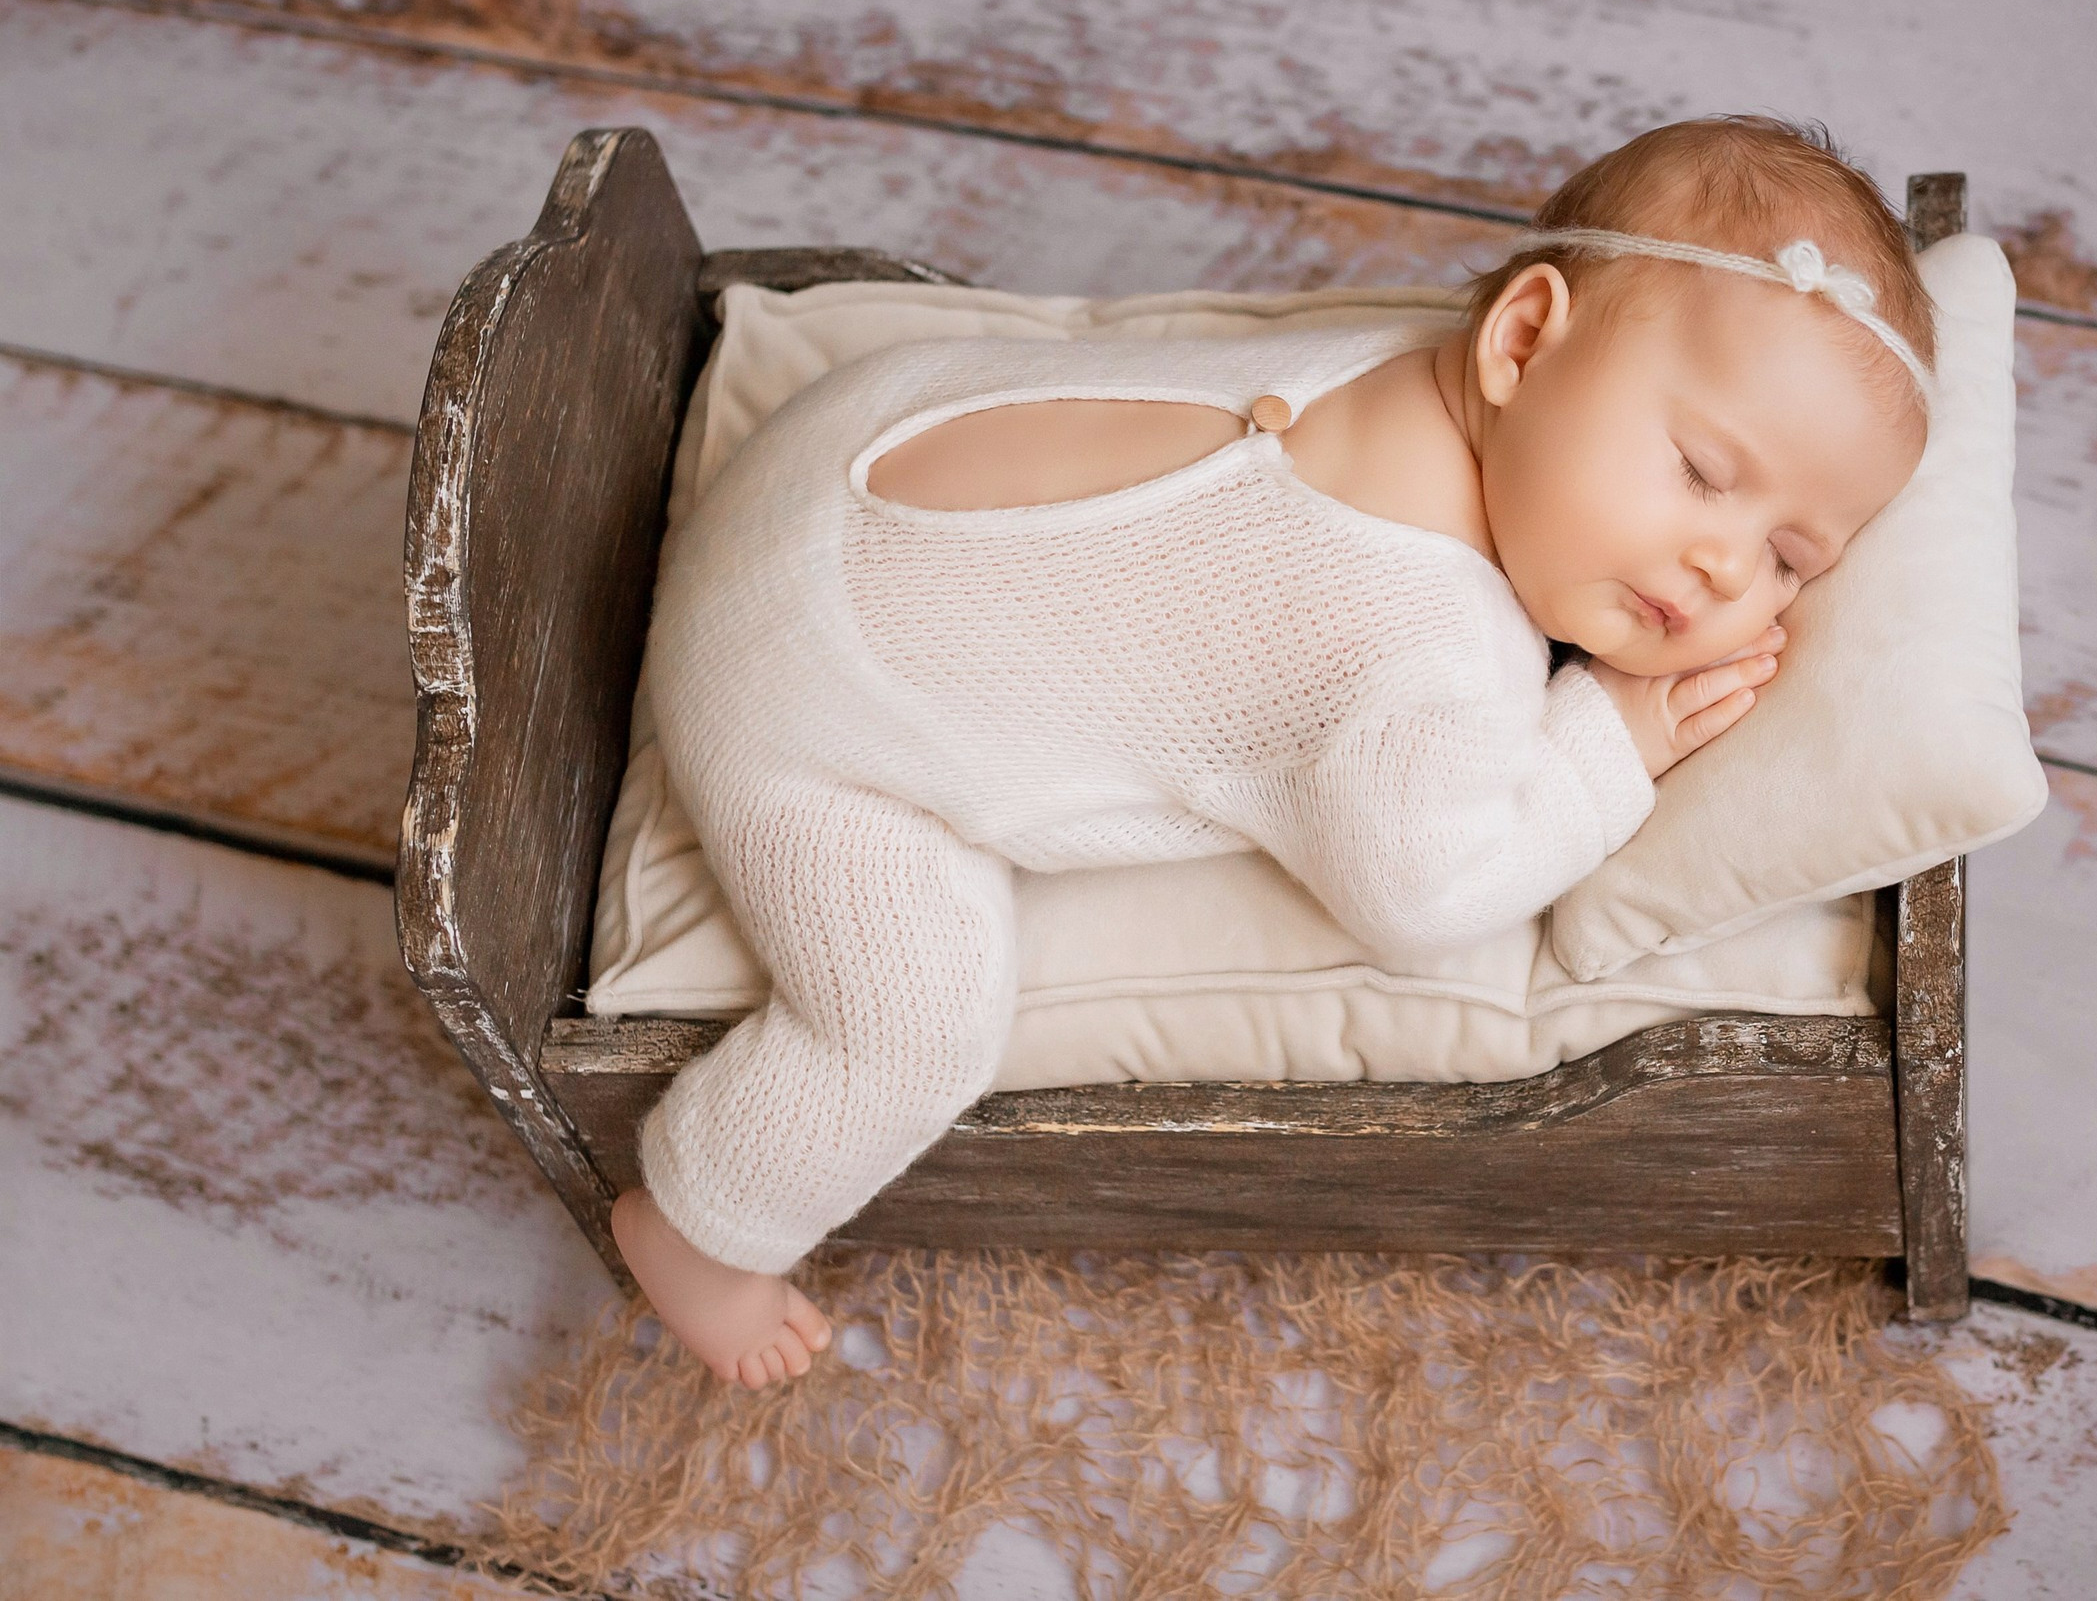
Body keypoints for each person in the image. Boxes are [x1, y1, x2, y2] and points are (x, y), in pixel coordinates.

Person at [611, 115, 1939, 1385]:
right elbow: (1425, 894)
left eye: (1788, 557)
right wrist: (1612, 739)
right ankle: (695, 1231)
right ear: (1524, 339)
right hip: (809, 712)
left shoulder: (1420, 362)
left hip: (838, 443)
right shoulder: (1415, 646)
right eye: (1705, 474)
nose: (1724, 567)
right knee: (911, 1027)